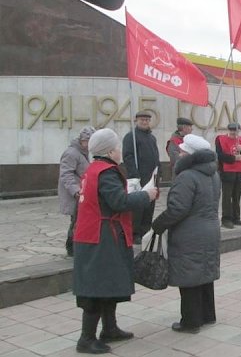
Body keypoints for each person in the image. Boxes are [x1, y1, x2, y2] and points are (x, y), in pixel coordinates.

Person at [73, 129, 157, 354]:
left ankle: (109, 328)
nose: (120, 151)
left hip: (96, 234)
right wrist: (146, 195)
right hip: (101, 237)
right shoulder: (107, 172)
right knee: (98, 285)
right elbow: (119, 202)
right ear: (110, 151)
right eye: (118, 147)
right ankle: (86, 338)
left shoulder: (93, 169)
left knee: (108, 282)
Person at [152, 134, 221, 334]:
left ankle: (190, 321)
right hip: (210, 229)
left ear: (190, 155)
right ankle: (208, 315)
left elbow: (177, 209)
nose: (179, 153)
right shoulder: (213, 174)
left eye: (182, 151)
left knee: (190, 275)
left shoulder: (187, 176)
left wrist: (159, 224)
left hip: (190, 232)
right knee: (205, 273)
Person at [122, 110, 161, 244]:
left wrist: (158, 173)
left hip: (152, 177)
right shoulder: (131, 137)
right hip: (139, 177)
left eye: (147, 120)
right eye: (142, 120)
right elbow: (128, 156)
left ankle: (145, 230)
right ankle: (135, 233)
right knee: (138, 207)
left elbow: (156, 156)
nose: (144, 122)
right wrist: (134, 175)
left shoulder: (152, 138)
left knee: (149, 206)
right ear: (136, 121)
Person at [58, 126, 95, 257]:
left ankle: (74, 247)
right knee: (76, 221)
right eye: (88, 141)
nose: (90, 144)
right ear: (83, 140)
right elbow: (66, 175)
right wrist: (76, 191)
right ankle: (72, 248)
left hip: (81, 193)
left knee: (78, 220)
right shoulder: (72, 153)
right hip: (75, 194)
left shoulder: (82, 152)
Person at [215, 123, 241, 228]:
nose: (233, 132)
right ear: (228, 129)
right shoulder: (220, 139)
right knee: (227, 196)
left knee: (237, 196)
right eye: (231, 130)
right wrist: (233, 158)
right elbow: (219, 155)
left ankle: (236, 218)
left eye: (235, 130)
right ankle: (226, 219)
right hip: (227, 172)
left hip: (240, 172)